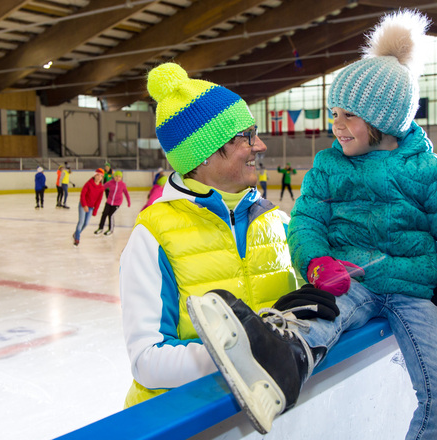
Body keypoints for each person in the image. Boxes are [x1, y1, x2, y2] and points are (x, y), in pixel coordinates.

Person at [187, 10, 437, 438]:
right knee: (316, 318)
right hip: (348, 281)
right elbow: (306, 220)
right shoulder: (329, 165)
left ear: (383, 120)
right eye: (334, 113)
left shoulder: (429, 172)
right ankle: (275, 358)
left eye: (349, 116)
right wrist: (315, 262)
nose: (337, 126)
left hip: (411, 293)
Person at [119, 62, 304, 408]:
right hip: (186, 420)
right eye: (246, 136)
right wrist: (246, 354)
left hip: (268, 410)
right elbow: (147, 359)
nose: (260, 145)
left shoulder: (280, 222)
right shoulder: (153, 235)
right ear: (204, 153)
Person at [72, 168, 105, 246]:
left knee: (86, 223)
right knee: (81, 222)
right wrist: (84, 205)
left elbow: (98, 201)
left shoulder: (101, 188)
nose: (99, 177)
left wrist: (95, 210)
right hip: (83, 205)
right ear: (95, 175)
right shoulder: (88, 184)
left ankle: (76, 233)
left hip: (91, 207)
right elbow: (82, 194)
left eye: (101, 176)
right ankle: (77, 238)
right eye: (98, 175)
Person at [94, 170, 131, 236]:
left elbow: (126, 193)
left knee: (110, 215)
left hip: (117, 203)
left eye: (119, 177)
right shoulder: (110, 183)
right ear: (114, 176)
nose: (117, 178)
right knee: (104, 214)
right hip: (109, 201)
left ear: (121, 178)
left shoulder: (123, 185)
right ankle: (100, 228)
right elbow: (102, 188)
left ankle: (110, 229)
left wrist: (129, 202)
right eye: (116, 176)